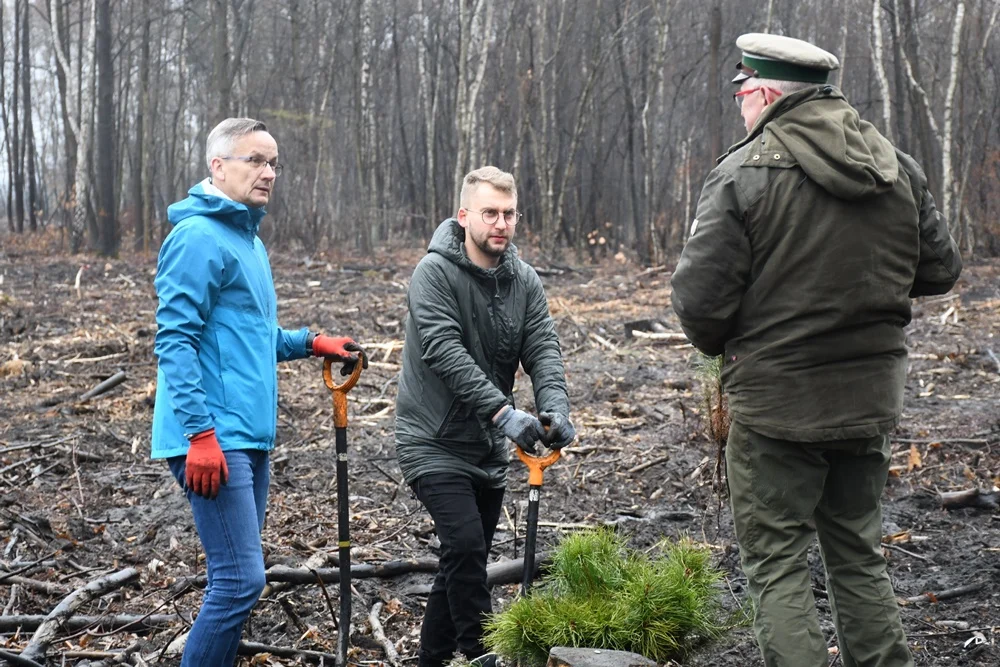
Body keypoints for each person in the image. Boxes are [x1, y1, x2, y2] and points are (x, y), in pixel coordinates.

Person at [670, 33, 962, 667]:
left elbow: (698, 304)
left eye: (742, 90)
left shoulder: (743, 173)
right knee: (859, 550)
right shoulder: (893, 164)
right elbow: (940, 270)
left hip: (776, 407)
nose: (740, 102)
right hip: (868, 401)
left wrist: (728, 346)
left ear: (767, 92)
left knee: (776, 565)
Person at [151, 117, 367, 667]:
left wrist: (312, 341)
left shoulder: (247, 240)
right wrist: (199, 435)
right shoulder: (197, 237)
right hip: (211, 437)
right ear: (217, 166)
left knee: (239, 581)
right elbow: (175, 341)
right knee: (239, 582)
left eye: (273, 162)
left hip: (247, 436)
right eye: (256, 160)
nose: (268, 172)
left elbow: (251, 337)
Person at [395, 166, 575, 667]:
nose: (500, 223)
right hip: (431, 437)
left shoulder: (524, 280)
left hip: (487, 445)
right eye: (490, 213)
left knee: (460, 561)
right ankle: (482, 653)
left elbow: (542, 348)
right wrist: (502, 410)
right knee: (468, 546)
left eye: (509, 214)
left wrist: (554, 406)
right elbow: (442, 349)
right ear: (464, 215)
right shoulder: (433, 273)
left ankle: (430, 660)